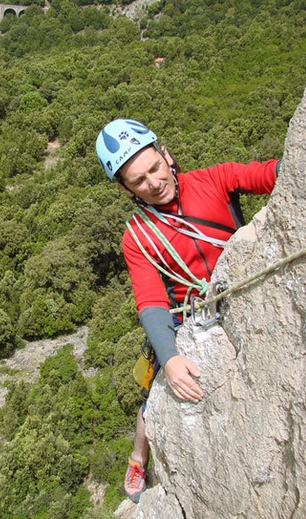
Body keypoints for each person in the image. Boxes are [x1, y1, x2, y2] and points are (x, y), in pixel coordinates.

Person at [95, 118, 280, 503]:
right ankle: (137, 456)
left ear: (167, 155)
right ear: (125, 189)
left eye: (154, 167)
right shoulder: (139, 237)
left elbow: (267, 175)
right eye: (138, 180)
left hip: (242, 283)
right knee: (157, 388)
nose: (153, 183)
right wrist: (172, 357)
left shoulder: (214, 179)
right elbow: (150, 302)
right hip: (190, 313)